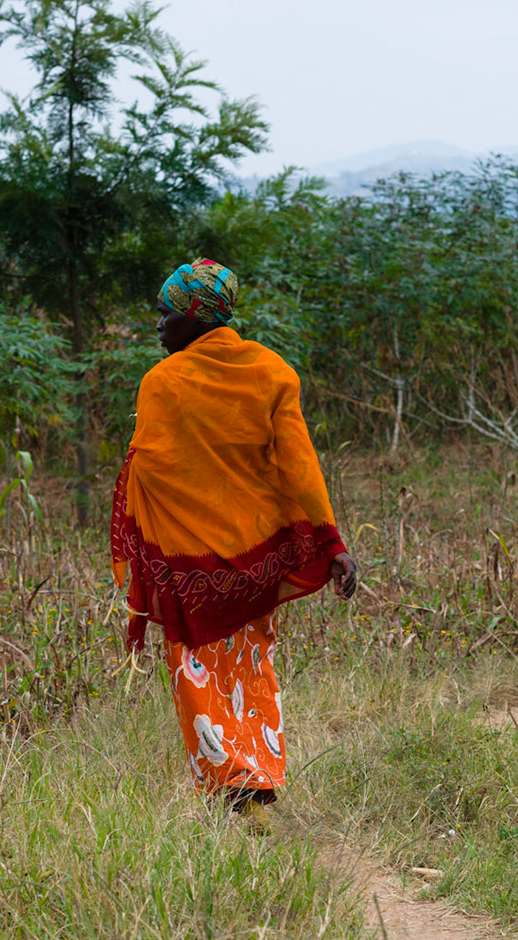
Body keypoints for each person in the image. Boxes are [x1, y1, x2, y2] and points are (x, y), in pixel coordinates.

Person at [110, 259, 358, 814]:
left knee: (195, 670)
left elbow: (147, 467)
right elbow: (300, 468)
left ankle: (235, 792)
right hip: (258, 557)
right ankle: (259, 776)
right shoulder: (272, 371)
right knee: (251, 663)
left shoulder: (162, 382)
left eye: (166, 311)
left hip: (187, 560)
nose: (159, 323)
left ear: (195, 318)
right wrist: (332, 543)